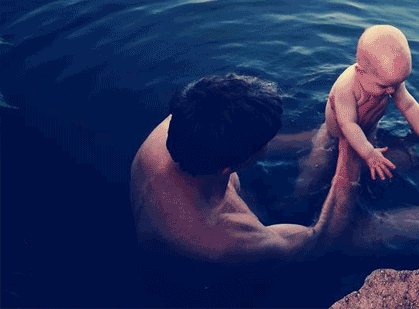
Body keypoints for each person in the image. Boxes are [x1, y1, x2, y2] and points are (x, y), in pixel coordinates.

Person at [129, 73, 360, 264]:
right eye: (265, 142)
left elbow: (241, 138)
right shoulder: (225, 239)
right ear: (227, 167)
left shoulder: (180, 124)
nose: (269, 144)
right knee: (361, 237)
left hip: (186, 213)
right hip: (201, 283)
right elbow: (321, 239)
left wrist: (330, 132)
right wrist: (351, 146)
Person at [298, 25, 419, 191]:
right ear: (360, 72)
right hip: (334, 134)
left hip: (368, 130)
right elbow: (348, 124)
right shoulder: (346, 88)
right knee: (318, 163)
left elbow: (408, 104)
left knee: (372, 167)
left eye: (396, 84)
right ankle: (299, 193)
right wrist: (368, 152)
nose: (391, 91)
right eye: (384, 86)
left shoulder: (388, 78)